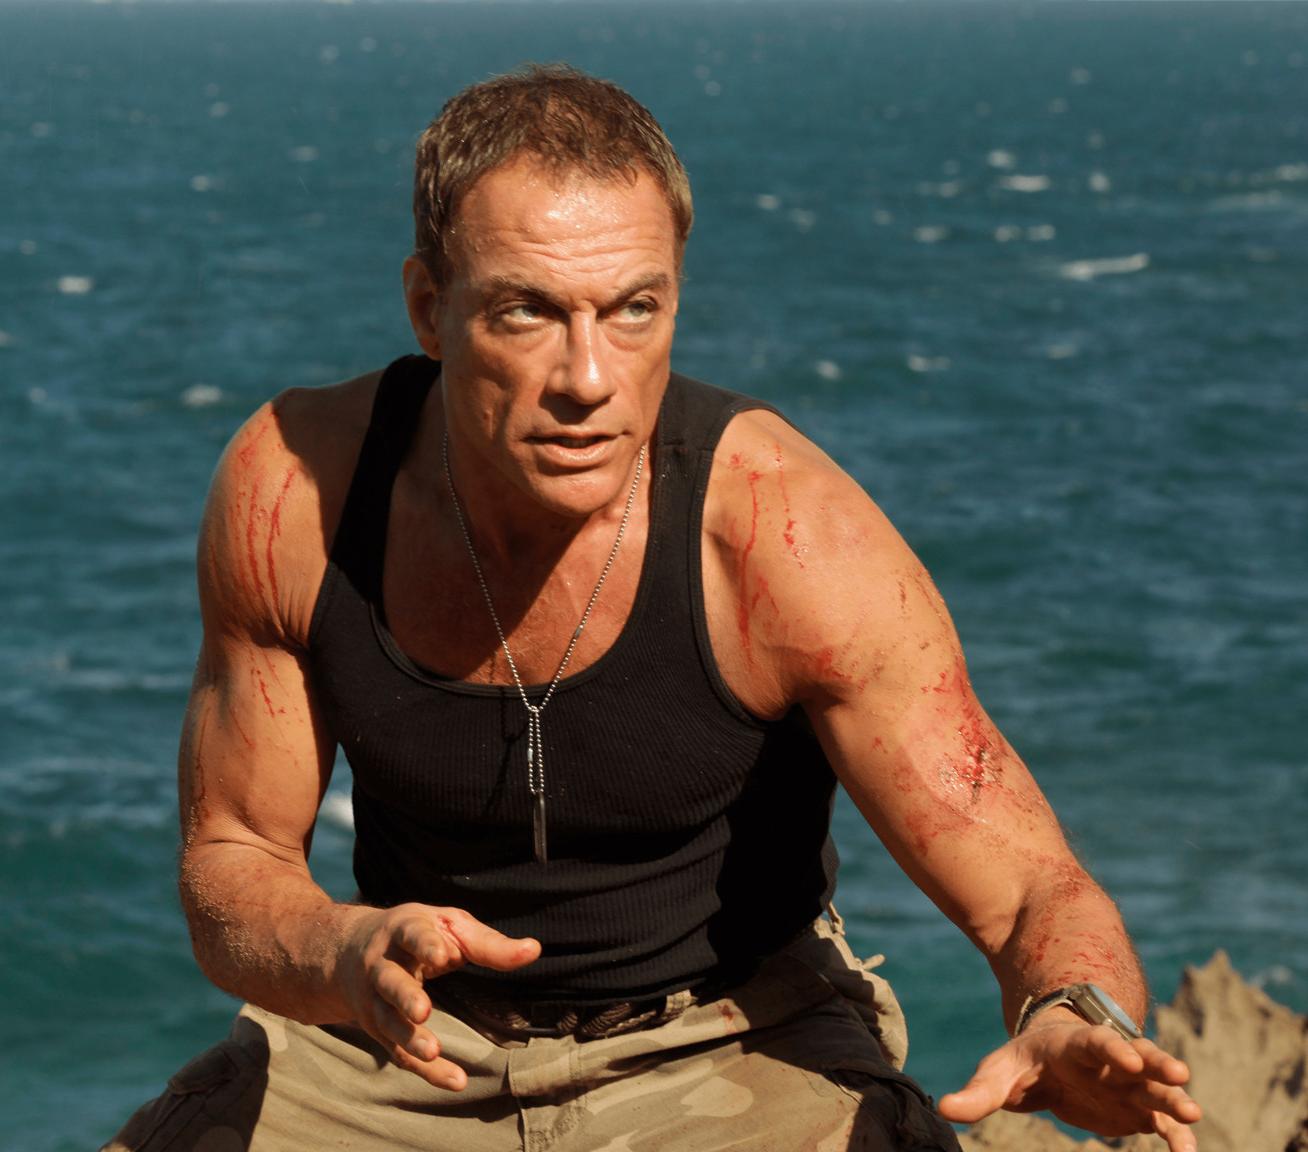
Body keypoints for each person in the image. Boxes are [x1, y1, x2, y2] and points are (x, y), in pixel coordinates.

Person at [106, 65, 1202, 1152]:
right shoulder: (297, 495)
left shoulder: (788, 539)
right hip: (396, 1039)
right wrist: (343, 954)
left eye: (633, 309)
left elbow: (1028, 889)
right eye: (527, 312)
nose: (587, 377)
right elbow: (233, 856)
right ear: (429, 309)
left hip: (731, 1041)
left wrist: (1074, 1014)